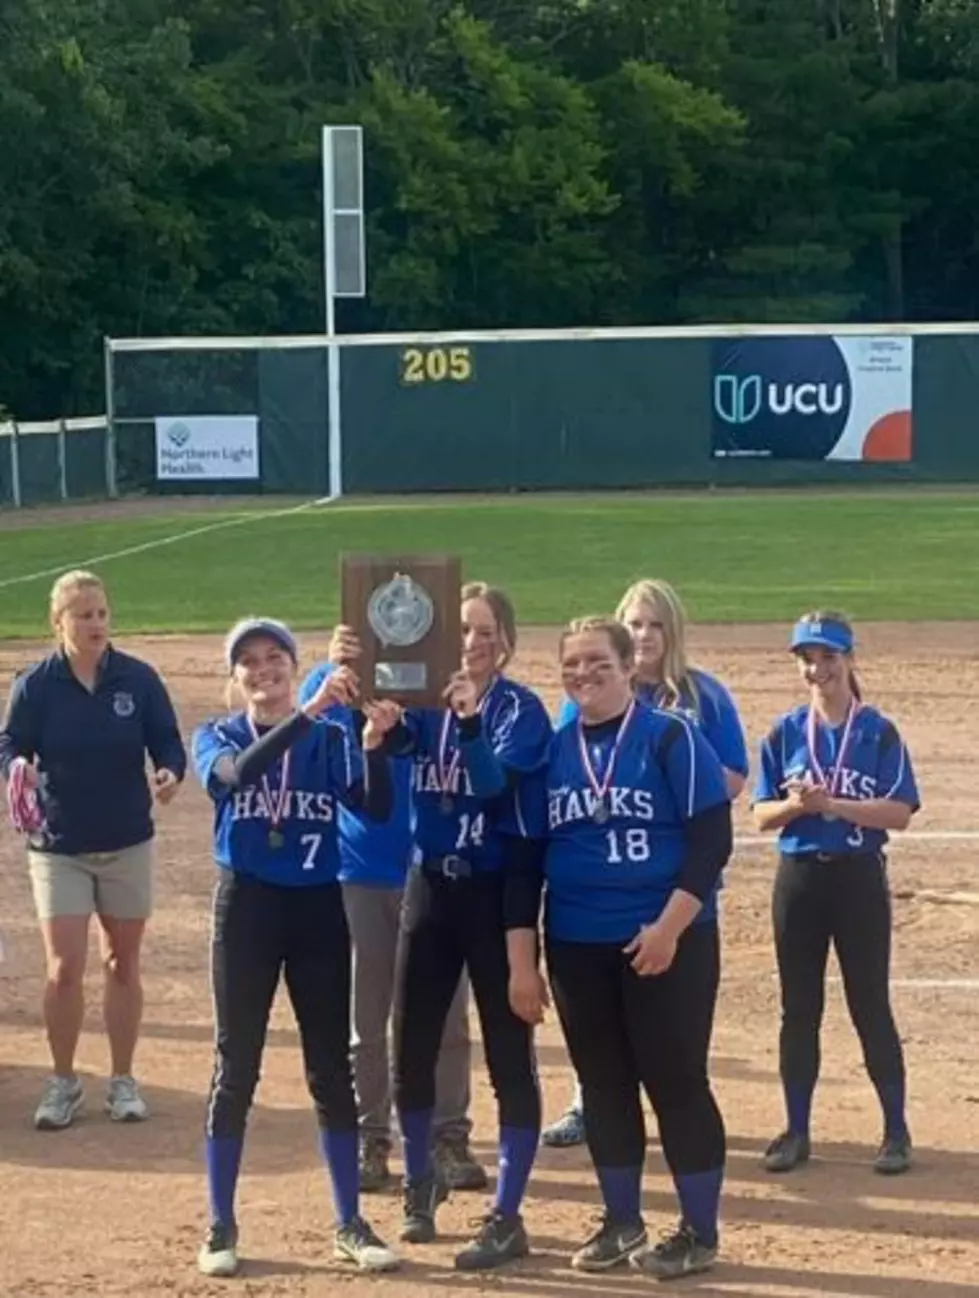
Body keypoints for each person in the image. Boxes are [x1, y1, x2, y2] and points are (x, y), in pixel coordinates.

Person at [521, 616, 733, 1279]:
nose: (583, 675)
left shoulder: (670, 737)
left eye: (597, 663)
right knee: (604, 1086)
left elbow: (709, 842)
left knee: (675, 1084)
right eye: (571, 665)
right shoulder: (552, 752)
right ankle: (621, 1221)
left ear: (626, 668)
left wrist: (668, 928)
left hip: (666, 940)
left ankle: (698, 1230)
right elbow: (527, 863)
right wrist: (525, 958)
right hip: (578, 942)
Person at [191, 616, 404, 1278]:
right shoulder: (217, 734)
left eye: (274, 656)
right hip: (248, 908)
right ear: (236, 677)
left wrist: (373, 743)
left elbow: (373, 807)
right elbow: (232, 776)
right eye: (249, 661)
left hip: (316, 908)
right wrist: (311, 711)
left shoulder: (329, 736)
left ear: (292, 662)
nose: (263, 669)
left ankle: (348, 1221)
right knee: (238, 1065)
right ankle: (221, 1224)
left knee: (328, 1069)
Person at [543, 577, 748, 1148]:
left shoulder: (700, 697)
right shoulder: (585, 694)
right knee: (602, 1046)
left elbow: (731, 778)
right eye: (635, 623)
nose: (646, 634)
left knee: (673, 1048)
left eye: (656, 624)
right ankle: (590, 1104)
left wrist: (675, 775)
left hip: (677, 884)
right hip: (593, 903)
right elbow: (570, 770)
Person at [388, 581, 551, 1271]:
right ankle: (419, 1183)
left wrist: (469, 719)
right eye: (462, 629)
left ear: (506, 640)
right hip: (429, 888)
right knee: (413, 1044)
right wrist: (382, 719)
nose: (473, 642)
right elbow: (392, 745)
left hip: (492, 893)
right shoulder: (428, 700)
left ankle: (507, 1212)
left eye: (486, 630)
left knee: (508, 1053)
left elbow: (490, 783)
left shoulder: (521, 711)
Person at [299, 629, 487, 1195]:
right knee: (367, 1017)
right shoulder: (334, 683)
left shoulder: (445, 686)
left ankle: (447, 1137)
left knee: (449, 1017)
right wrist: (331, 675)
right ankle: (370, 1136)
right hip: (363, 869)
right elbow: (311, 747)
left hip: (436, 871)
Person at [0, 569, 185, 1130]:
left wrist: (170, 772)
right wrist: (15, 765)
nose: (96, 623)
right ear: (59, 622)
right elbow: (9, 741)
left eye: (102, 612)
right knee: (64, 968)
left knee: (122, 962)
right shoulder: (35, 685)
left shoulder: (138, 679)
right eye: (83, 614)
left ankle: (123, 1080)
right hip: (59, 845)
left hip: (127, 838)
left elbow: (168, 741)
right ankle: (63, 1082)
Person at [752, 611, 919, 1176]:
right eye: (807, 658)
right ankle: (797, 1129)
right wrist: (798, 806)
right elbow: (759, 815)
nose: (817, 668)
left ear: (850, 659)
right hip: (799, 880)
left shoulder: (878, 731)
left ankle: (896, 1131)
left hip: (857, 876)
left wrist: (833, 807)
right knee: (799, 1007)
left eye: (827, 656)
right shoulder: (783, 732)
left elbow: (899, 812)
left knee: (869, 1003)